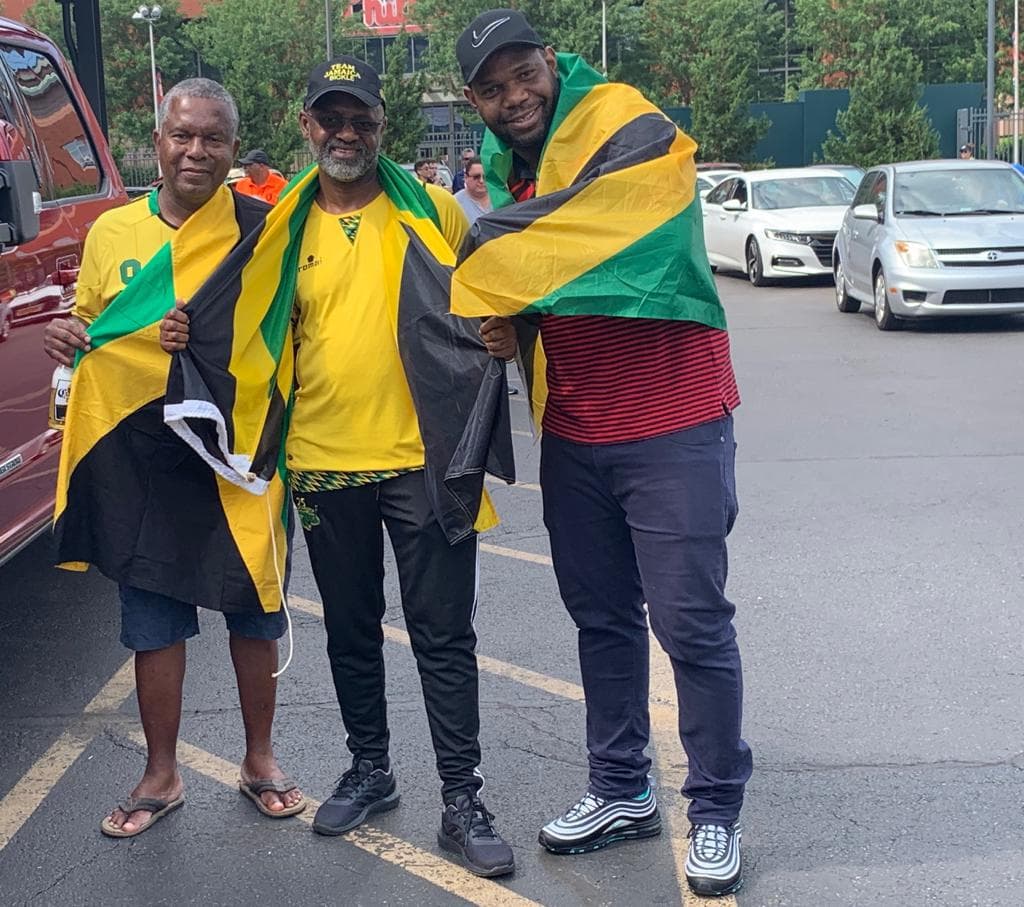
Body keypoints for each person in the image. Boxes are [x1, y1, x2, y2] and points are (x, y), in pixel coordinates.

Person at [160, 55, 516, 879]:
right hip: (322, 465)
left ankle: (462, 798)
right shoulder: (278, 228)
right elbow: (227, 316)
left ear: (383, 127)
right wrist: (185, 337)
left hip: (424, 462)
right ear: (307, 125)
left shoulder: (430, 212)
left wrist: (504, 332)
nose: (347, 134)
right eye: (332, 118)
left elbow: (490, 299)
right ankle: (371, 768)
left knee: (442, 634)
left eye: (362, 119)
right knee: (351, 631)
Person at [452, 10, 750, 897]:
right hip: (577, 432)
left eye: (524, 74)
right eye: (493, 89)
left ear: (553, 60)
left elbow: (614, 241)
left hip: (674, 423)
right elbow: (548, 276)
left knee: (691, 625)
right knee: (604, 622)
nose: (516, 97)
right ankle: (621, 787)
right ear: (476, 100)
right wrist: (509, 322)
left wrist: (491, 252)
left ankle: (715, 811)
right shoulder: (518, 170)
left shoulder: (627, 122)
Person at [43, 79, 304, 838]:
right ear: (156, 141)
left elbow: (285, 333)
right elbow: (91, 319)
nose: (196, 151)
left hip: (235, 455)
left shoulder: (264, 230)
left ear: (232, 146)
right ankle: (161, 771)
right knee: (152, 614)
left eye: (213, 139)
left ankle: (260, 760)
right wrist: (68, 331)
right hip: (140, 454)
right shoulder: (112, 233)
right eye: (182, 136)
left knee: (253, 608)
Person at [453, 156, 491, 225]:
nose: (481, 181)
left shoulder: (502, 200)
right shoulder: (455, 203)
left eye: (485, 177)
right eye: (476, 177)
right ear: (465, 177)